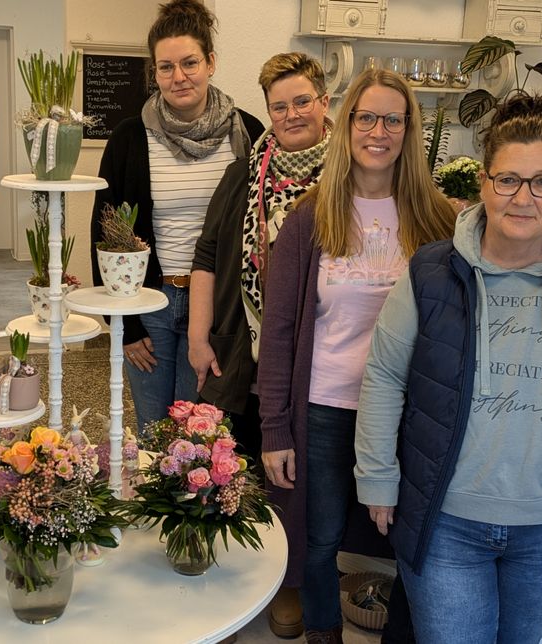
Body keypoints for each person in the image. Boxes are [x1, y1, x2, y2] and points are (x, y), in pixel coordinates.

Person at [354, 93, 542, 644]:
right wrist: (377, 479)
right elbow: (385, 375)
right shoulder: (431, 274)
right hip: (445, 522)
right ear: (484, 182)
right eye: (508, 179)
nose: (523, 198)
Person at [258, 69, 456, 644]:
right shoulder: (311, 216)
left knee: (411, 537)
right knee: (319, 539)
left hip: (405, 415)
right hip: (323, 406)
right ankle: (325, 632)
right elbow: (278, 329)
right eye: (366, 117)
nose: (378, 130)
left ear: (408, 130)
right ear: (346, 127)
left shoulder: (438, 220)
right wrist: (275, 427)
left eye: (392, 119)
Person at [188, 51, 331, 639]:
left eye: (303, 101)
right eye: (279, 105)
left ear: (324, 102)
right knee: (237, 461)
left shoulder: (350, 175)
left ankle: (288, 582)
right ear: (267, 110)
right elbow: (205, 253)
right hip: (242, 342)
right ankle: (239, 573)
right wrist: (198, 336)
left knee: (298, 474)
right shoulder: (246, 171)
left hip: (316, 351)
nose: (292, 113)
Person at [90, 0, 264, 433]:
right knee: (152, 428)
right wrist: (125, 325)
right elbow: (105, 231)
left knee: (197, 429)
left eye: (189, 63)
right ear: (154, 72)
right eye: (165, 67)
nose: (178, 76)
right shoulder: (130, 137)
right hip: (150, 302)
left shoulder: (248, 133)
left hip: (218, 306)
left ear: (211, 62)